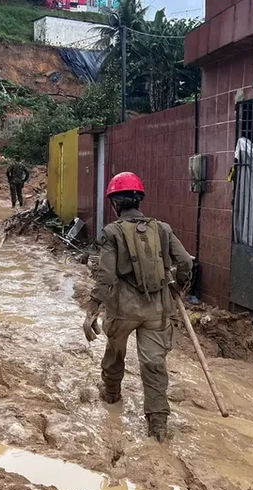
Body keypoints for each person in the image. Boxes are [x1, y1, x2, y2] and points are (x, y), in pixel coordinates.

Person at [84, 172, 193, 443]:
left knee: (115, 352)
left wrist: (92, 309)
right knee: (154, 364)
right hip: (158, 309)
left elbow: (106, 276)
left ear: (114, 204)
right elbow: (186, 263)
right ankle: (157, 427)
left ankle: (111, 397)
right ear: (139, 199)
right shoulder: (163, 229)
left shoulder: (112, 232)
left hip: (122, 309)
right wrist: (179, 285)